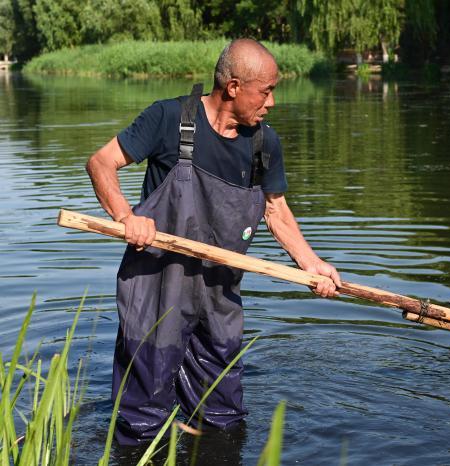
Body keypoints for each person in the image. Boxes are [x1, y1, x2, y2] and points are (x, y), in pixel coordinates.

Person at [85, 38, 341, 445]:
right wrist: (126, 217)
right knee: (141, 424)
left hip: (219, 297)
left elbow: (276, 211)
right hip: (155, 290)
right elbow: (101, 163)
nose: (272, 102)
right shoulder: (169, 118)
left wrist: (311, 265)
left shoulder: (263, 144)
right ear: (234, 86)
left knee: (222, 421)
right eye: (267, 90)